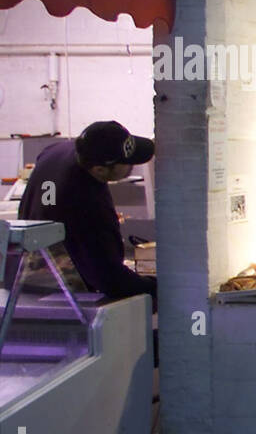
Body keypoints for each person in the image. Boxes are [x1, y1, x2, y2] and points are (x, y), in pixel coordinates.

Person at [16, 120, 157, 310]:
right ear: (99, 170)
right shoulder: (86, 200)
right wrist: (154, 286)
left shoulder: (57, 150)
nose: (132, 166)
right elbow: (109, 278)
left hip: (28, 275)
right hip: (60, 294)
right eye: (127, 163)